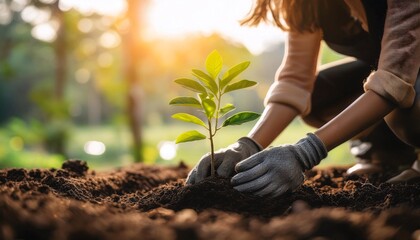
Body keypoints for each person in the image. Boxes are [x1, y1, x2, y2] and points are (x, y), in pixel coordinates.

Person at [186, 0, 420, 198]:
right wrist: (247, 145)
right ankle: (387, 152)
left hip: (406, 76)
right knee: (319, 100)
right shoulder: (306, 4)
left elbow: (393, 81)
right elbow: (296, 81)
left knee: (406, 105)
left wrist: (304, 153)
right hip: (393, 74)